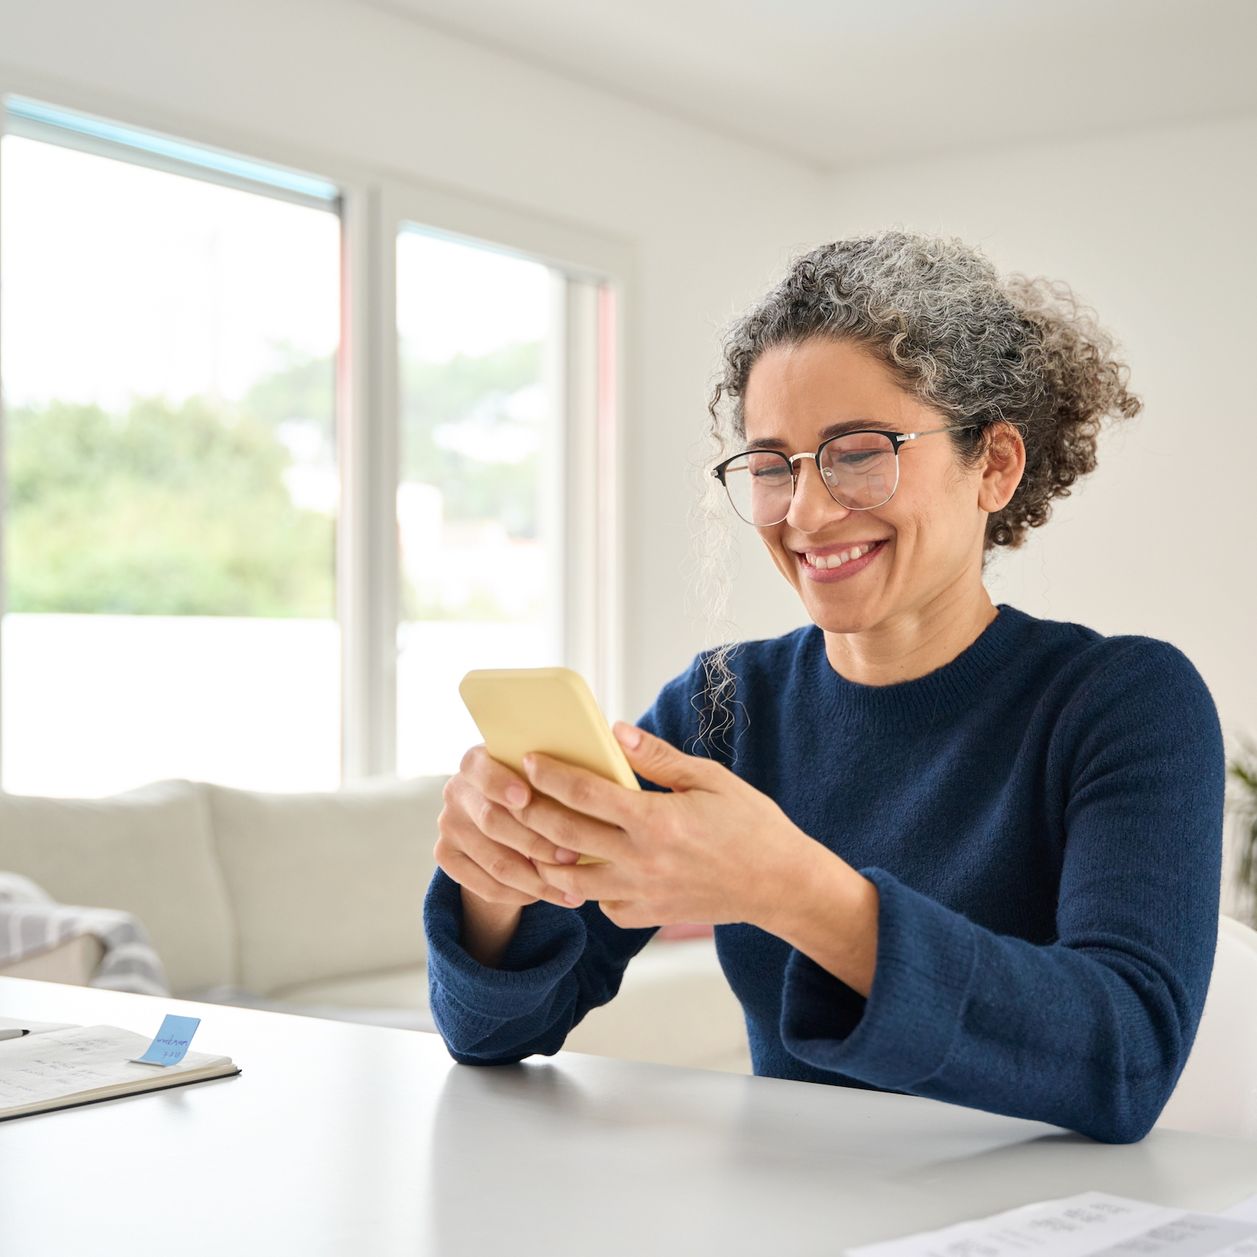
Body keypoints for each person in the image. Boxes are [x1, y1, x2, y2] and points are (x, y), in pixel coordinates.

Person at [422, 230, 1224, 1144]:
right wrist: (497, 879)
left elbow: (1125, 1057)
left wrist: (793, 889)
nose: (804, 510)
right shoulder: (719, 705)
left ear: (993, 465)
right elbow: (493, 1032)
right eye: (771, 466)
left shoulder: (1122, 701)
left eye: (857, 450)